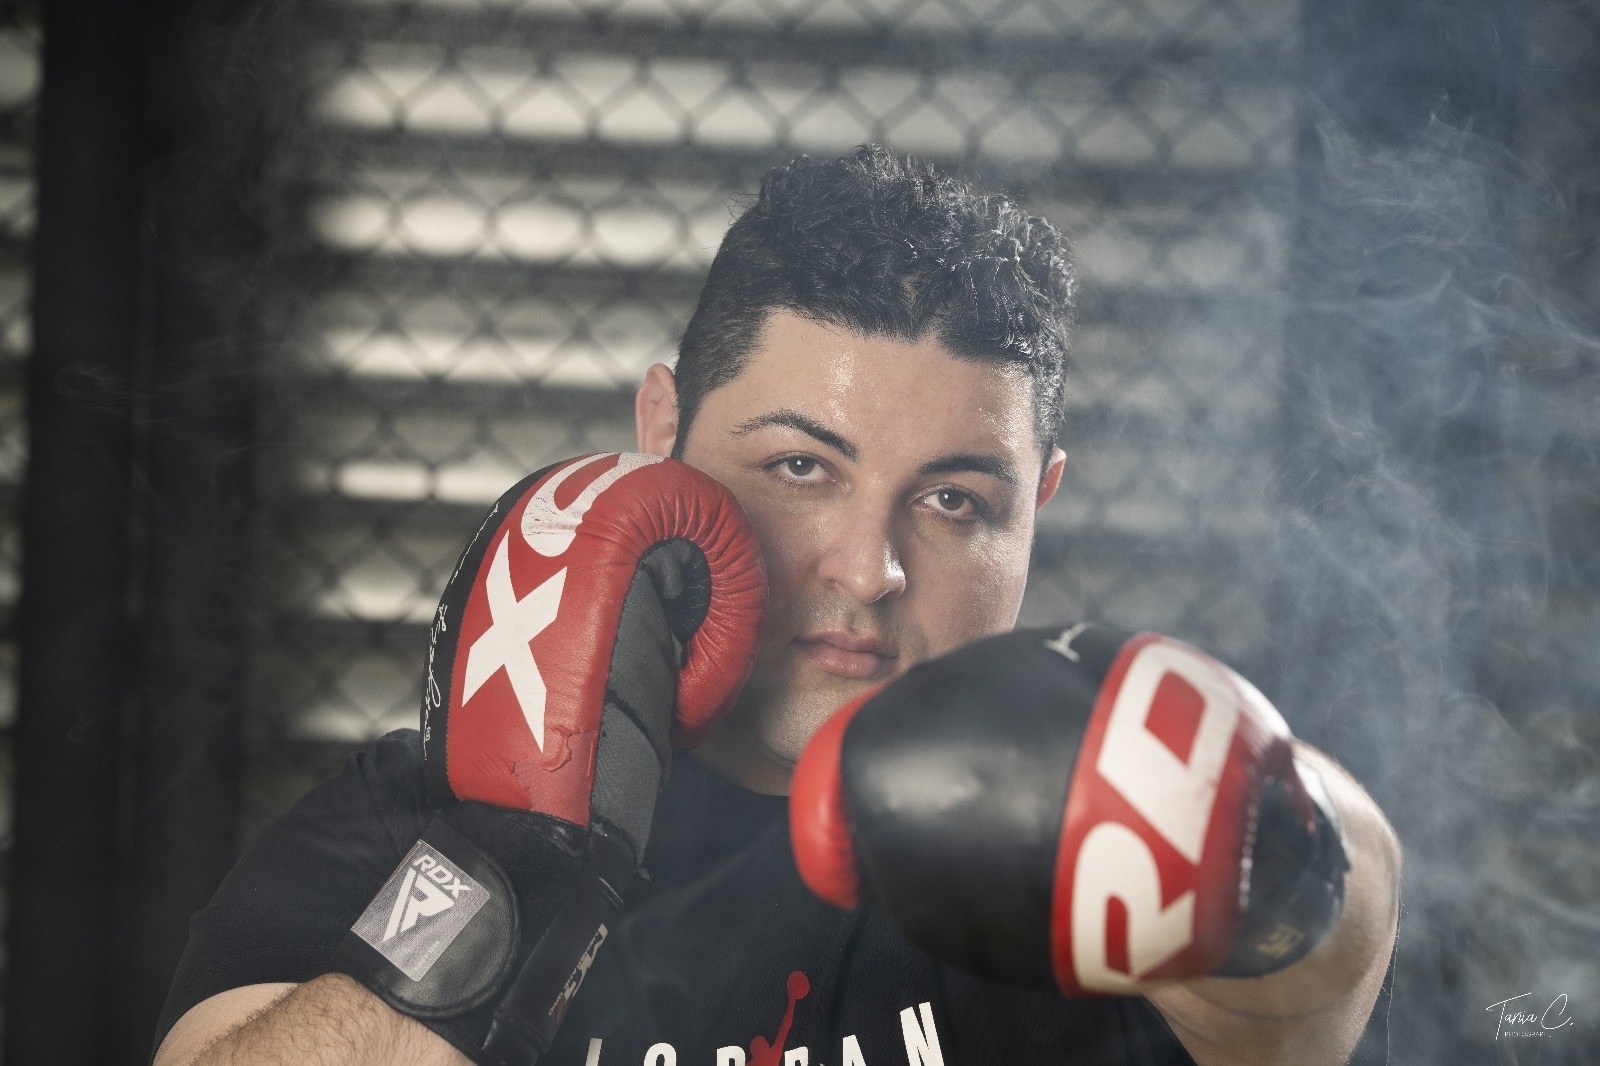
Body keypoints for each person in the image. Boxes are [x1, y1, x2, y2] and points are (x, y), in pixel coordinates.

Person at [152, 146, 1400, 1066]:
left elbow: (1321, 969)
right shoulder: (417, 821)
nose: (868, 568)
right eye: (801, 467)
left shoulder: (1081, 854)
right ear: (662, 434)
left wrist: (1257, 821)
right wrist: (513, 865)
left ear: (1040, 505)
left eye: (954, 500)